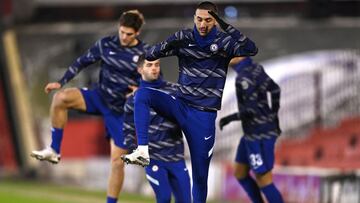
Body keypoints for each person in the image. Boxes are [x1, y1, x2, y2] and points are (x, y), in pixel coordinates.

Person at [122, 1, 258, 202]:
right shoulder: (183, 37)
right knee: (142, 95)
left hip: (203, 116)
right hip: (180, 105)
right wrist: (167, 47)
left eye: (208, 20)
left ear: (216, 20)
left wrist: (226, 26)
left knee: (200, 178)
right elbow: (151, 54)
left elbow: (251, 48)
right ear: (195, 18)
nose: (202, 24)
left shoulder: (224, 42)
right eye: (199, 19)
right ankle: (142, 150)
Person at [30, 10, 148, 203]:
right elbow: (81, 62)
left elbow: (154, 80)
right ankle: (54, 150)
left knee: (117, 163)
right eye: (122, 32)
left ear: (137, 33)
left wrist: (141, 90)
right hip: (99, 96)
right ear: (119, 28)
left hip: (120, 110)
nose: (124, 37)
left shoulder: (145, 53)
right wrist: (61, 82)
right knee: (60, 98)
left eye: (129, 34)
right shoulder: (106, 44)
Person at [123, 55, 191, 203]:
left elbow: (188, 115)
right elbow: (127, 128)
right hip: (154, 159)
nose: (154, 68)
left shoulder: (175, 91)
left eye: (157, 64)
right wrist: (132, 147)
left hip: (177, 158)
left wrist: (181, 124)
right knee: (164, 198)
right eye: (149, 65)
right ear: (140, 69)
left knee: (186, 200)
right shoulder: (133, 99)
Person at [219, 56, 283, 203]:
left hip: (259, 135)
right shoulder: (255, 68)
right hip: (251, 133)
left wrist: (228, 118)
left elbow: (251, 112)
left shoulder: (243, 78)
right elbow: (275, 89)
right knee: (240, 172)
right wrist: (273, 116)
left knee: (263, 179)